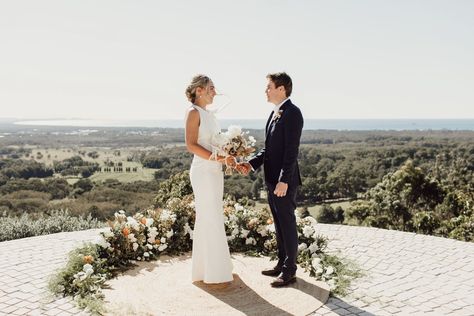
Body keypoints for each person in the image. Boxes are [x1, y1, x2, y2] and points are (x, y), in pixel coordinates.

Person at [238, 72, 304, 287]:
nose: (265, 90)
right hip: (271, 180)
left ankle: (289, 271)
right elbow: (269, 149)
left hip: (284, 182)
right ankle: (281, 264)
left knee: (287, 223)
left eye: (269, 87)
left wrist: (284, 180)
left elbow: (291, 151)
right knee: (278, 223)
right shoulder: (275, 113)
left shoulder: (293, 113)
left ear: (281, 89)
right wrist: (251, 163)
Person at [184, 74, 235, 284]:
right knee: (209, 216)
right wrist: (220, 157)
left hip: (215, 170)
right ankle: (212, 272)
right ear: (199, 91)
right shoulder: (193, 113)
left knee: (214, 216)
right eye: (211, 88)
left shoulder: (209, 114)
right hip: (203, 171)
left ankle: (211, 268)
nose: (215, 92)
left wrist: (229, 153)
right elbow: (191, 145)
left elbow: (215, 142)